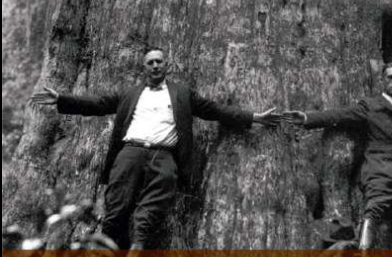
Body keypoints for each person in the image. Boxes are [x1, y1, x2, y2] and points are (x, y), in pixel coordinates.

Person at [29, 47, 281, 250]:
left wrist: (254, 117)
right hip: (130, 153)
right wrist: (62, 99)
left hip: (164, 157)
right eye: (150, 62)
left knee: (151, 211)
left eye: (159, 61)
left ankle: (137, 249)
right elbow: (98, 103)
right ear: (144, 67)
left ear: (166, 65)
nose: (155, 66)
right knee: (116, 207)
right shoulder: (130, 93)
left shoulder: (182, 94)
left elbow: (215, 110)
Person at [285, 62, 392, 250]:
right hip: (380, 170)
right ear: (382, 80)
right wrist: (307, 118)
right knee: (374, 211)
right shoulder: (370, 106)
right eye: (390, 77)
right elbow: (340, 115)